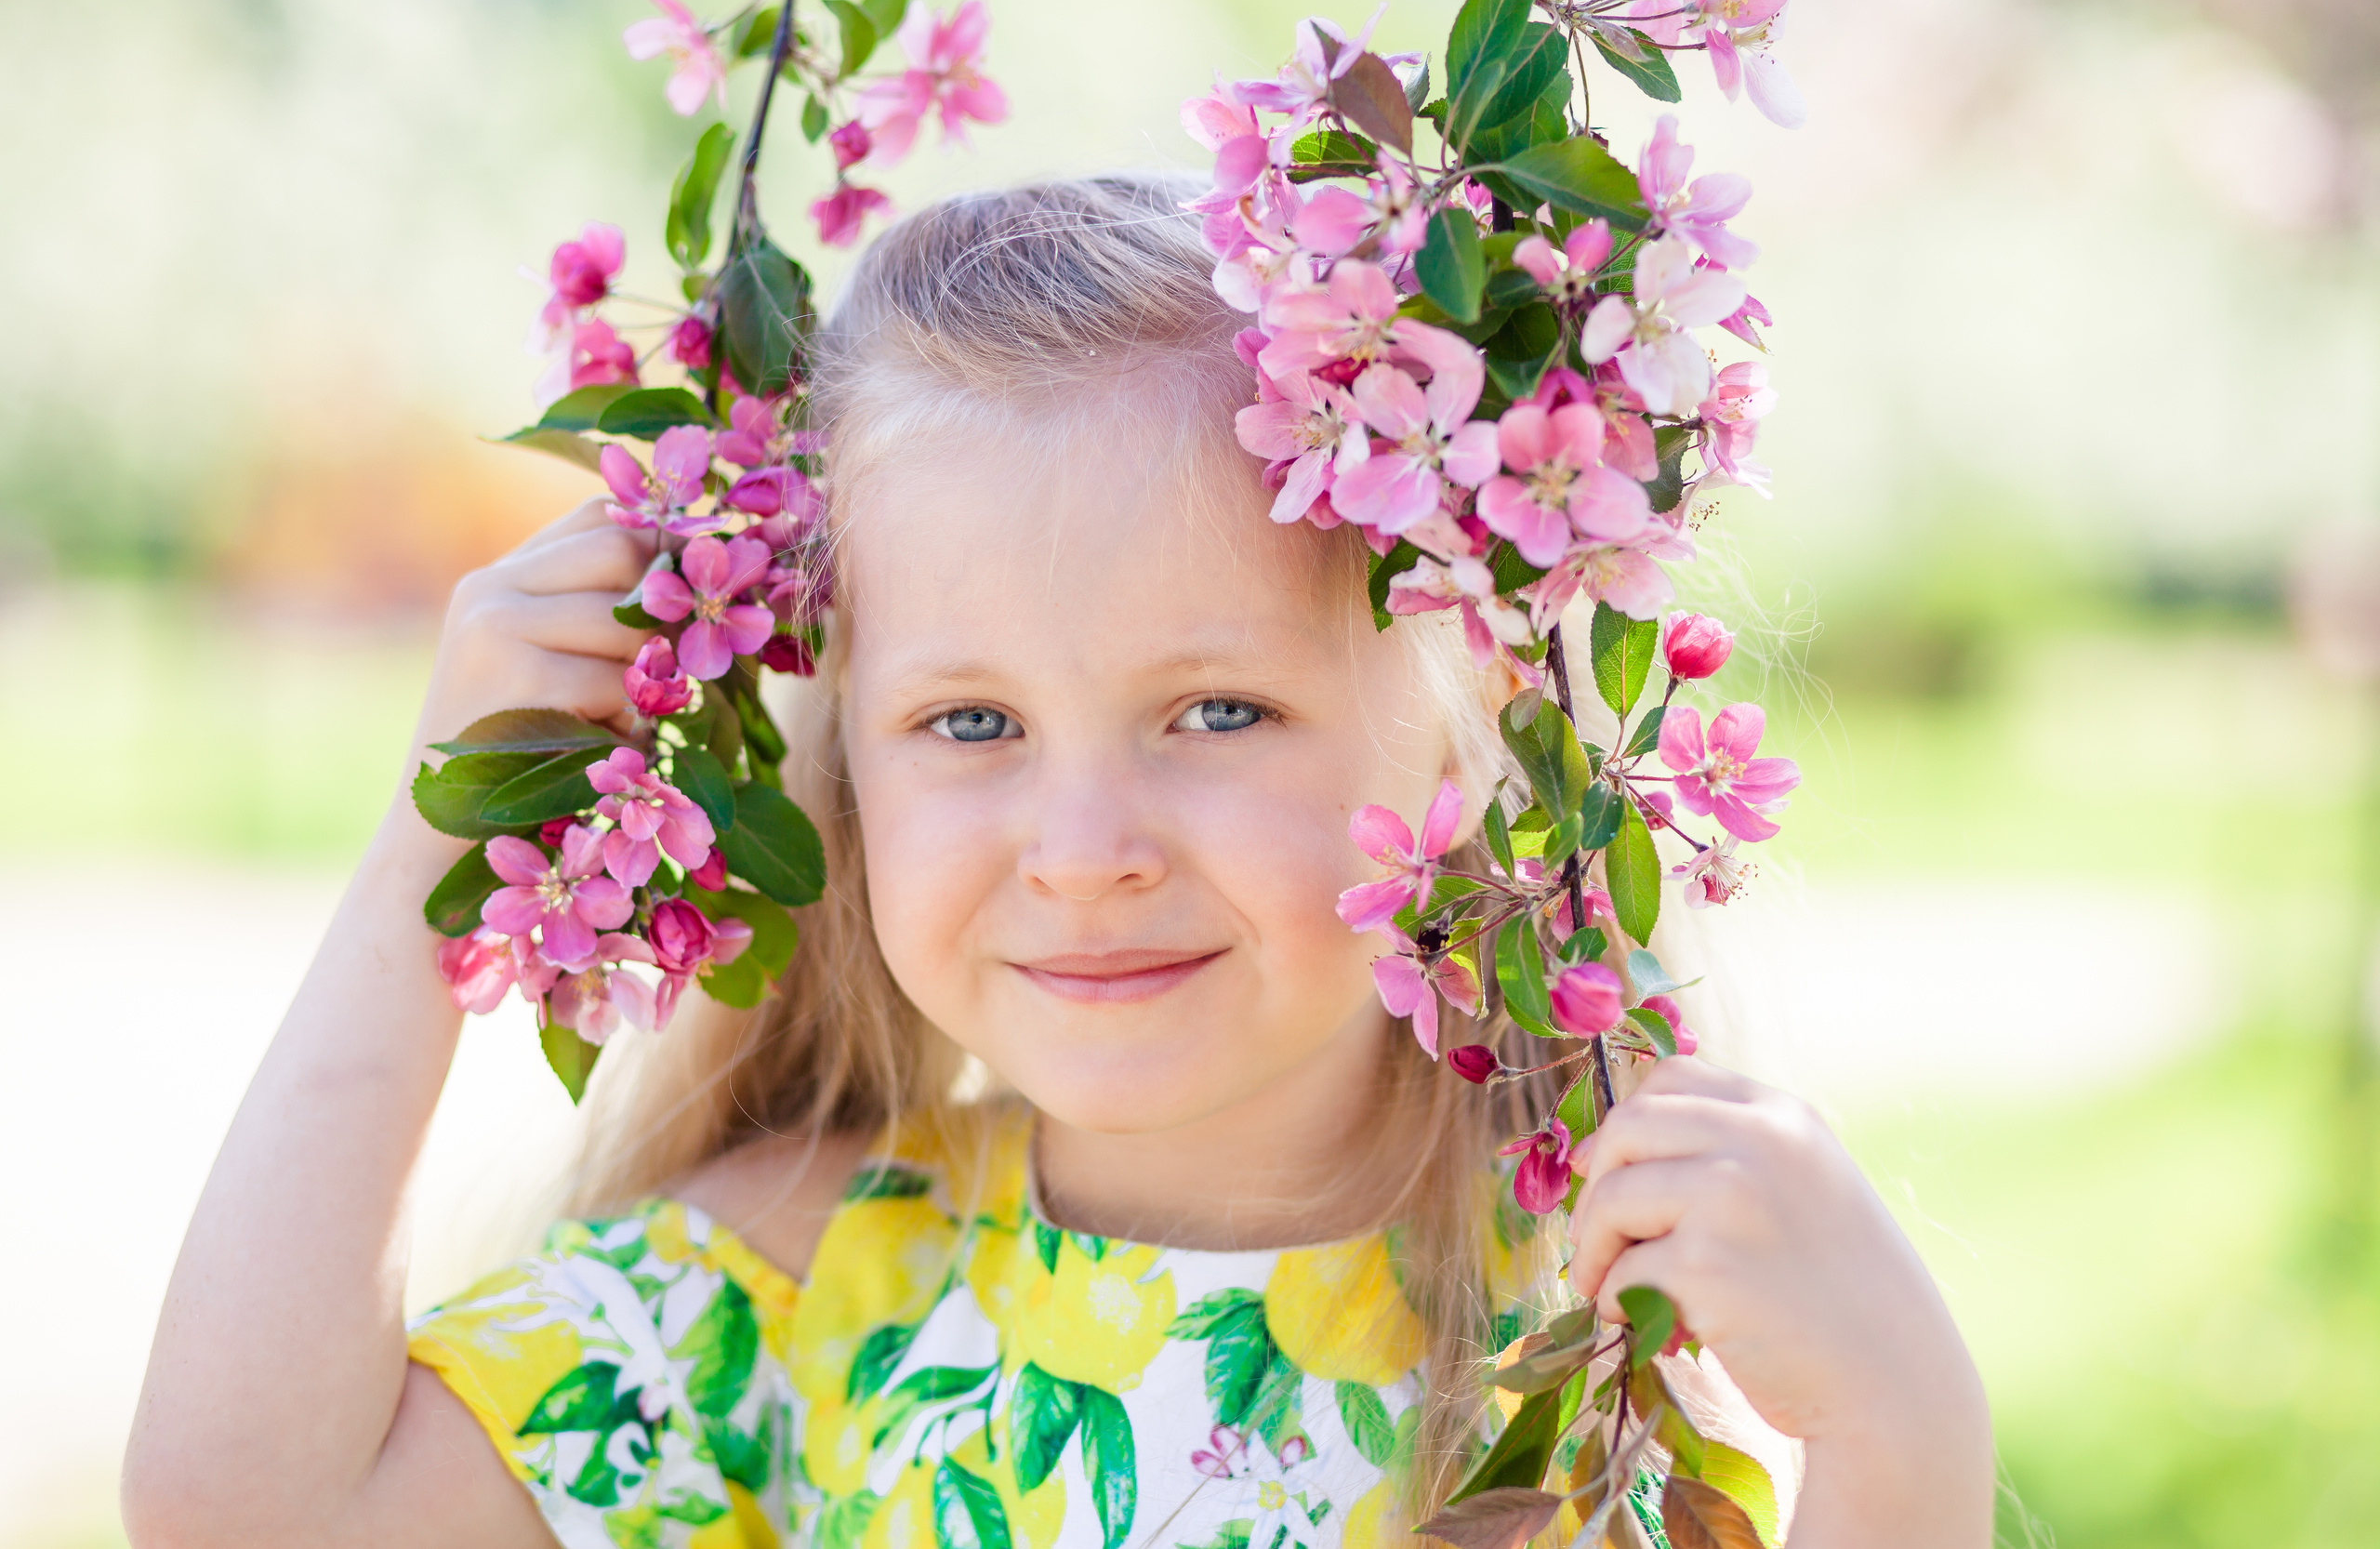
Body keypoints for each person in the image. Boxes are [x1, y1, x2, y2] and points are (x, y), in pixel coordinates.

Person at [123, 176, 1994, 1549]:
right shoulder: (795, 1283)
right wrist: (441, 842)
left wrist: (1903, 1442)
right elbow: (241, 1510)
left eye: (1217, 711)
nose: (1085, 852)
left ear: (1463, 721)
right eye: (969, 723)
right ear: (842, 776)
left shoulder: (1588, 1327)